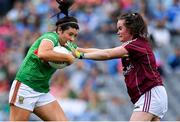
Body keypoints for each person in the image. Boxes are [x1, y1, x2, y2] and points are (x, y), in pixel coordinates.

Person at [66, 12, 168, 121]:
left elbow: (107, 54)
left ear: (131, 28)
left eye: (120, 28)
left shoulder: (136, 44)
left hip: (150, 93)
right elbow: (104, 51)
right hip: (151, 95)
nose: (118, 32)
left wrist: (81, 56)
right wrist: (78, 49)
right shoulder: (134, 45)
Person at [9, 0, 79, 121]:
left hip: (41, 91)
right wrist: (68, 57)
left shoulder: (66, 46)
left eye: (75, 36)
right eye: (70, 34)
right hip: (25, 87)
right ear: (59, 31)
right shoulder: (50, 37)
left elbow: (85, 52)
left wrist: (117, 51)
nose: (72, 39)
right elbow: (43, 53)